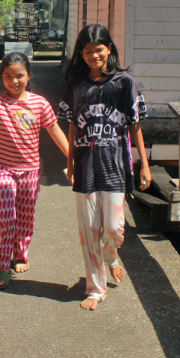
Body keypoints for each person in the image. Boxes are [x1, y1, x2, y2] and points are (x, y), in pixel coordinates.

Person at [58, 23, 152, 310]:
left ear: (108, 48)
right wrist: (70, 161)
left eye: (98, 49)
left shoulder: (125, 83)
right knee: (89, 230)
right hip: (85, 164)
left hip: (115, 164)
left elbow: (135, 126)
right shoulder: (76, 84)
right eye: (87, 51)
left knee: (113, 227)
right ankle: (95, 289)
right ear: (81, 54)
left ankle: (111, 255)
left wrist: (144, 165)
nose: (93, 56)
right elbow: (73, 125)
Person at [0, 52, 69, 290]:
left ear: (29, 75)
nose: (14, 81)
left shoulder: (39, 103)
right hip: (3, 168)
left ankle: (20, 252)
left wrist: (72, 157)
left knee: (25, 217)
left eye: (19, 76)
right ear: (1, 78)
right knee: (5, 216)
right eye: (7, 77)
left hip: (30, 170)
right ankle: (3, 264)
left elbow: (55, 130)